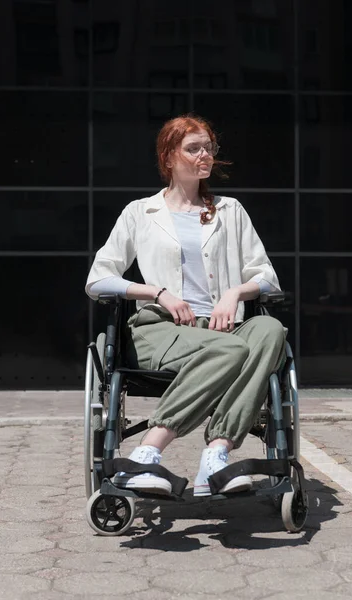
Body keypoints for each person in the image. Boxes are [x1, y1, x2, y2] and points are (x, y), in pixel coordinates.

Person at [86, 114, 286, 497]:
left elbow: (266, 277)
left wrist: (234, 294)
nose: (204, 155)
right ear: (169, 156)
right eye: (193, 148)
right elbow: (98, 279)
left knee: (270, 330)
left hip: (222, 328)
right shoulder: (140, 213)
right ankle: (147, 453)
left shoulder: (230, 211)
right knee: (232, 349)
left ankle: (216, 455)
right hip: (163, 329)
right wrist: (157, 292)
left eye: (208, 147)